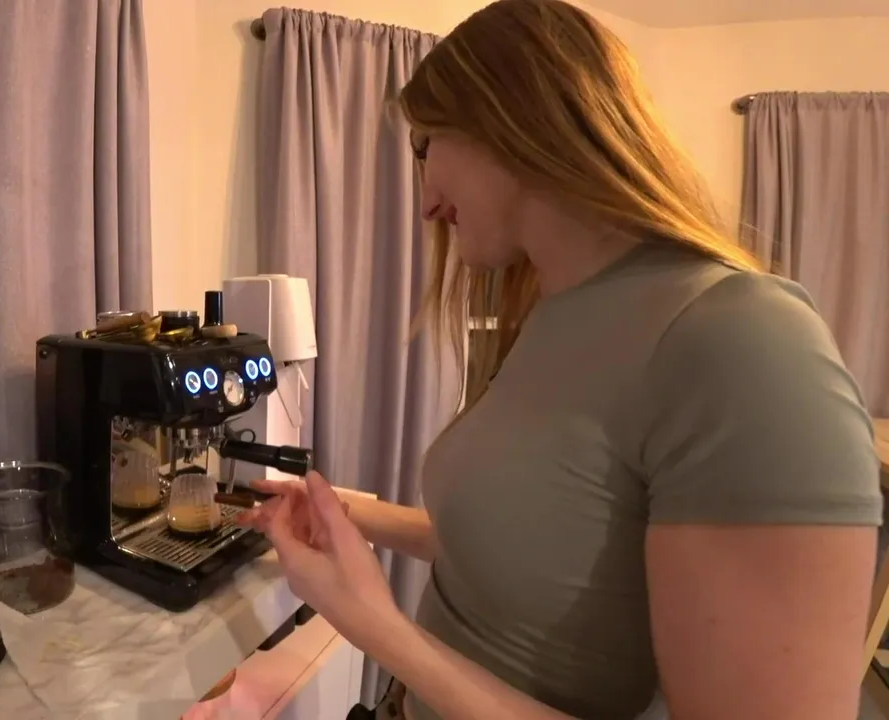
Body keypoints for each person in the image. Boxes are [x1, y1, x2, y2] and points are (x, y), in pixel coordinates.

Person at [236, 1, 884, 718]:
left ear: (509, 118)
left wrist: (372, 622)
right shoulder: (550, 313)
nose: (425, 203)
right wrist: (357, 515)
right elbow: (545, 557)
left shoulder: (742, 341)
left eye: (424, 145)